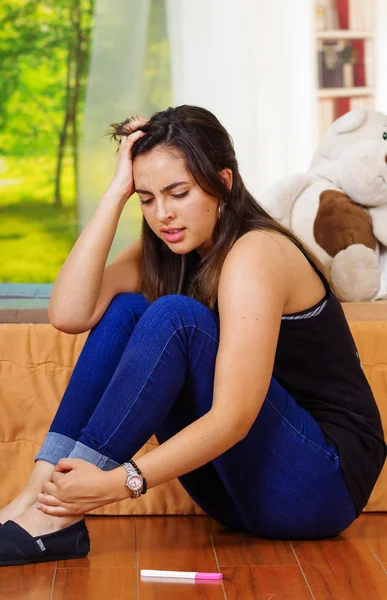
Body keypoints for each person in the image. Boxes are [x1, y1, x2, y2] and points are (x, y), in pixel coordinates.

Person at [0, 105, 385, 566]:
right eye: (146, 198)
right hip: (235, 492)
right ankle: (37, 501)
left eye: (177, 193)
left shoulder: (256, 252)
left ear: (223, 182)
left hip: (319, 487)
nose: (162, 214)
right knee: (126, 308)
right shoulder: (166, 251)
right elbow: (68, 313)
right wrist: (117, 190)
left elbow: (234, 419)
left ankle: (54, 517)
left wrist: (117, 482)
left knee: (177, 318)